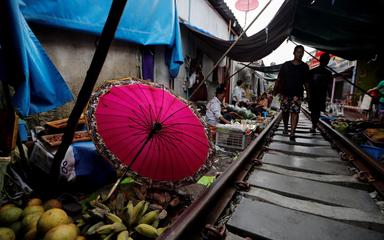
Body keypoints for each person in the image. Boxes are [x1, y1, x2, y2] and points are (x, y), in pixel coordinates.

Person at [274, 45, 310, 140]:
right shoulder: (286, 65)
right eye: (298, 52)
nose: (300, 54)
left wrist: (309, 94)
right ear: (294, 53)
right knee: (285, 112)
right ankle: (286, 127)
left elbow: (306, 82)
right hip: (285, 93)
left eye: (302, 52)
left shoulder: (305, 67)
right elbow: (279, 79)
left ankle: (292, 132)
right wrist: (275, 90)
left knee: (295, 112)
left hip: (297, 94)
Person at [308, 53, 333, 133]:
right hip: (319, 95)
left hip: (314, 95)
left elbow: (308, 84)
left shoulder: (313, 71)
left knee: (314, 111)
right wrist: (329, 95)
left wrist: (308, 94)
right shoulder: (328, 73)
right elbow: (329, 86)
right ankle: (314, 126)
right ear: (327, 62)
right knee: (317, 111)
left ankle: (313, 126)